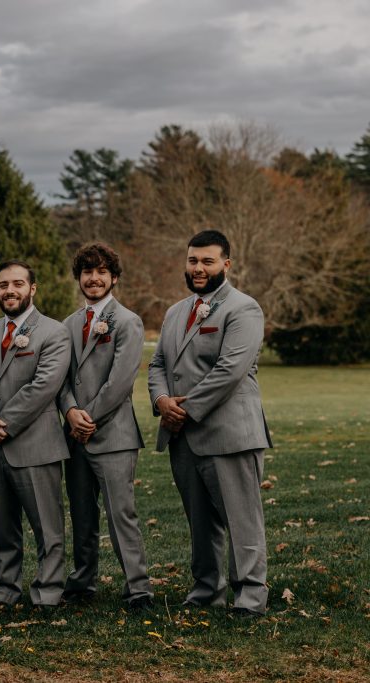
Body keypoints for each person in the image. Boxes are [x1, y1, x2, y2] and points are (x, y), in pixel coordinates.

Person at [148, 229, 272, 618]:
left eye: (207, 261)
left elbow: (230, 370)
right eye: (192, 261)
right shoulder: (174, 312)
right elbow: (158, 365)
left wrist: (183, 410)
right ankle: (206, 589)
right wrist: (161, 400)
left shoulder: (243, 308)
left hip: (228, 432)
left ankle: (250, 595)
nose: (198, 268)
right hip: (182, 436)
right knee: (200, 521)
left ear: (226, 264)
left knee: (242, 520)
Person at [0, 260, 71, 611]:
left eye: (17, 284)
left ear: (33, 288)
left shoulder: (54, 332)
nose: (9, 290)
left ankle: (48, 592)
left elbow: (44, 387)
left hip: (35, 445)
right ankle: (4, 590)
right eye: (2, 285)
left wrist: (3, 423)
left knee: (47, 527)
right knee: (1, 527)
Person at [58, 244, 153, 610]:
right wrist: (70, 412)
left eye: (101, 272)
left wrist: (88, 418)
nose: (93, 278)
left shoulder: (127, 322)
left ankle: (139, 589)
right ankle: (82, 583)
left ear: (113, 278)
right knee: (81, 513)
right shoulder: (67, 325)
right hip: (74, 436)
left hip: (113, 436)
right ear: (79, 278)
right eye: (86, 272)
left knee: (120, 514)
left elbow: (121, 381)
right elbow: (59, 379)